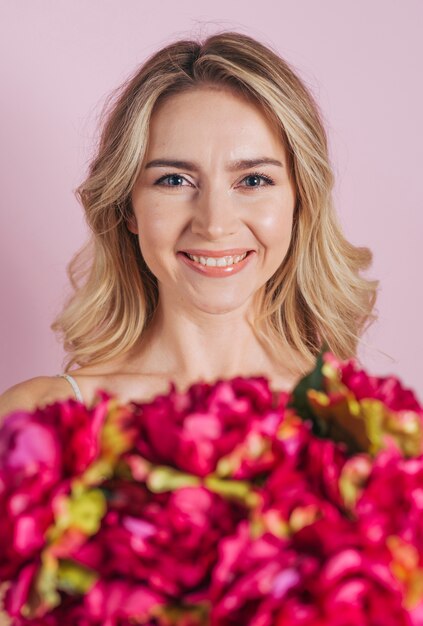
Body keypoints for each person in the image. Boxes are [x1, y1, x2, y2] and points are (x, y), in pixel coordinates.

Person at [0, 31, 378, 418]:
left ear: (300, 202)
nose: (214, 224)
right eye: (174, 180)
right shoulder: (31, 417)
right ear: (128, 207)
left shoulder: (360, 423)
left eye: (253, 180)